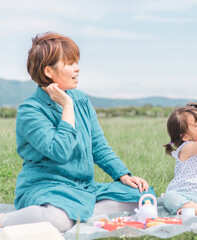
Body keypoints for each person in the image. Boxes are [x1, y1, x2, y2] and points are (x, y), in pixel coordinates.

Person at [0, 32, 155, 232]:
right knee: (57, 220)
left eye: (76, 62)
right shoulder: (31, 110)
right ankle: (5, 220)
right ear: (48, 71)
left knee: (144, 196)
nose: (77, 68)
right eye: (70, 63)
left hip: (84, 189)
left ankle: (78, 215)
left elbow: (98, 146)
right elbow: (60, 151)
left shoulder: (80, 99)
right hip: (48, 188)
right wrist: (67, 107)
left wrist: (123, 175)